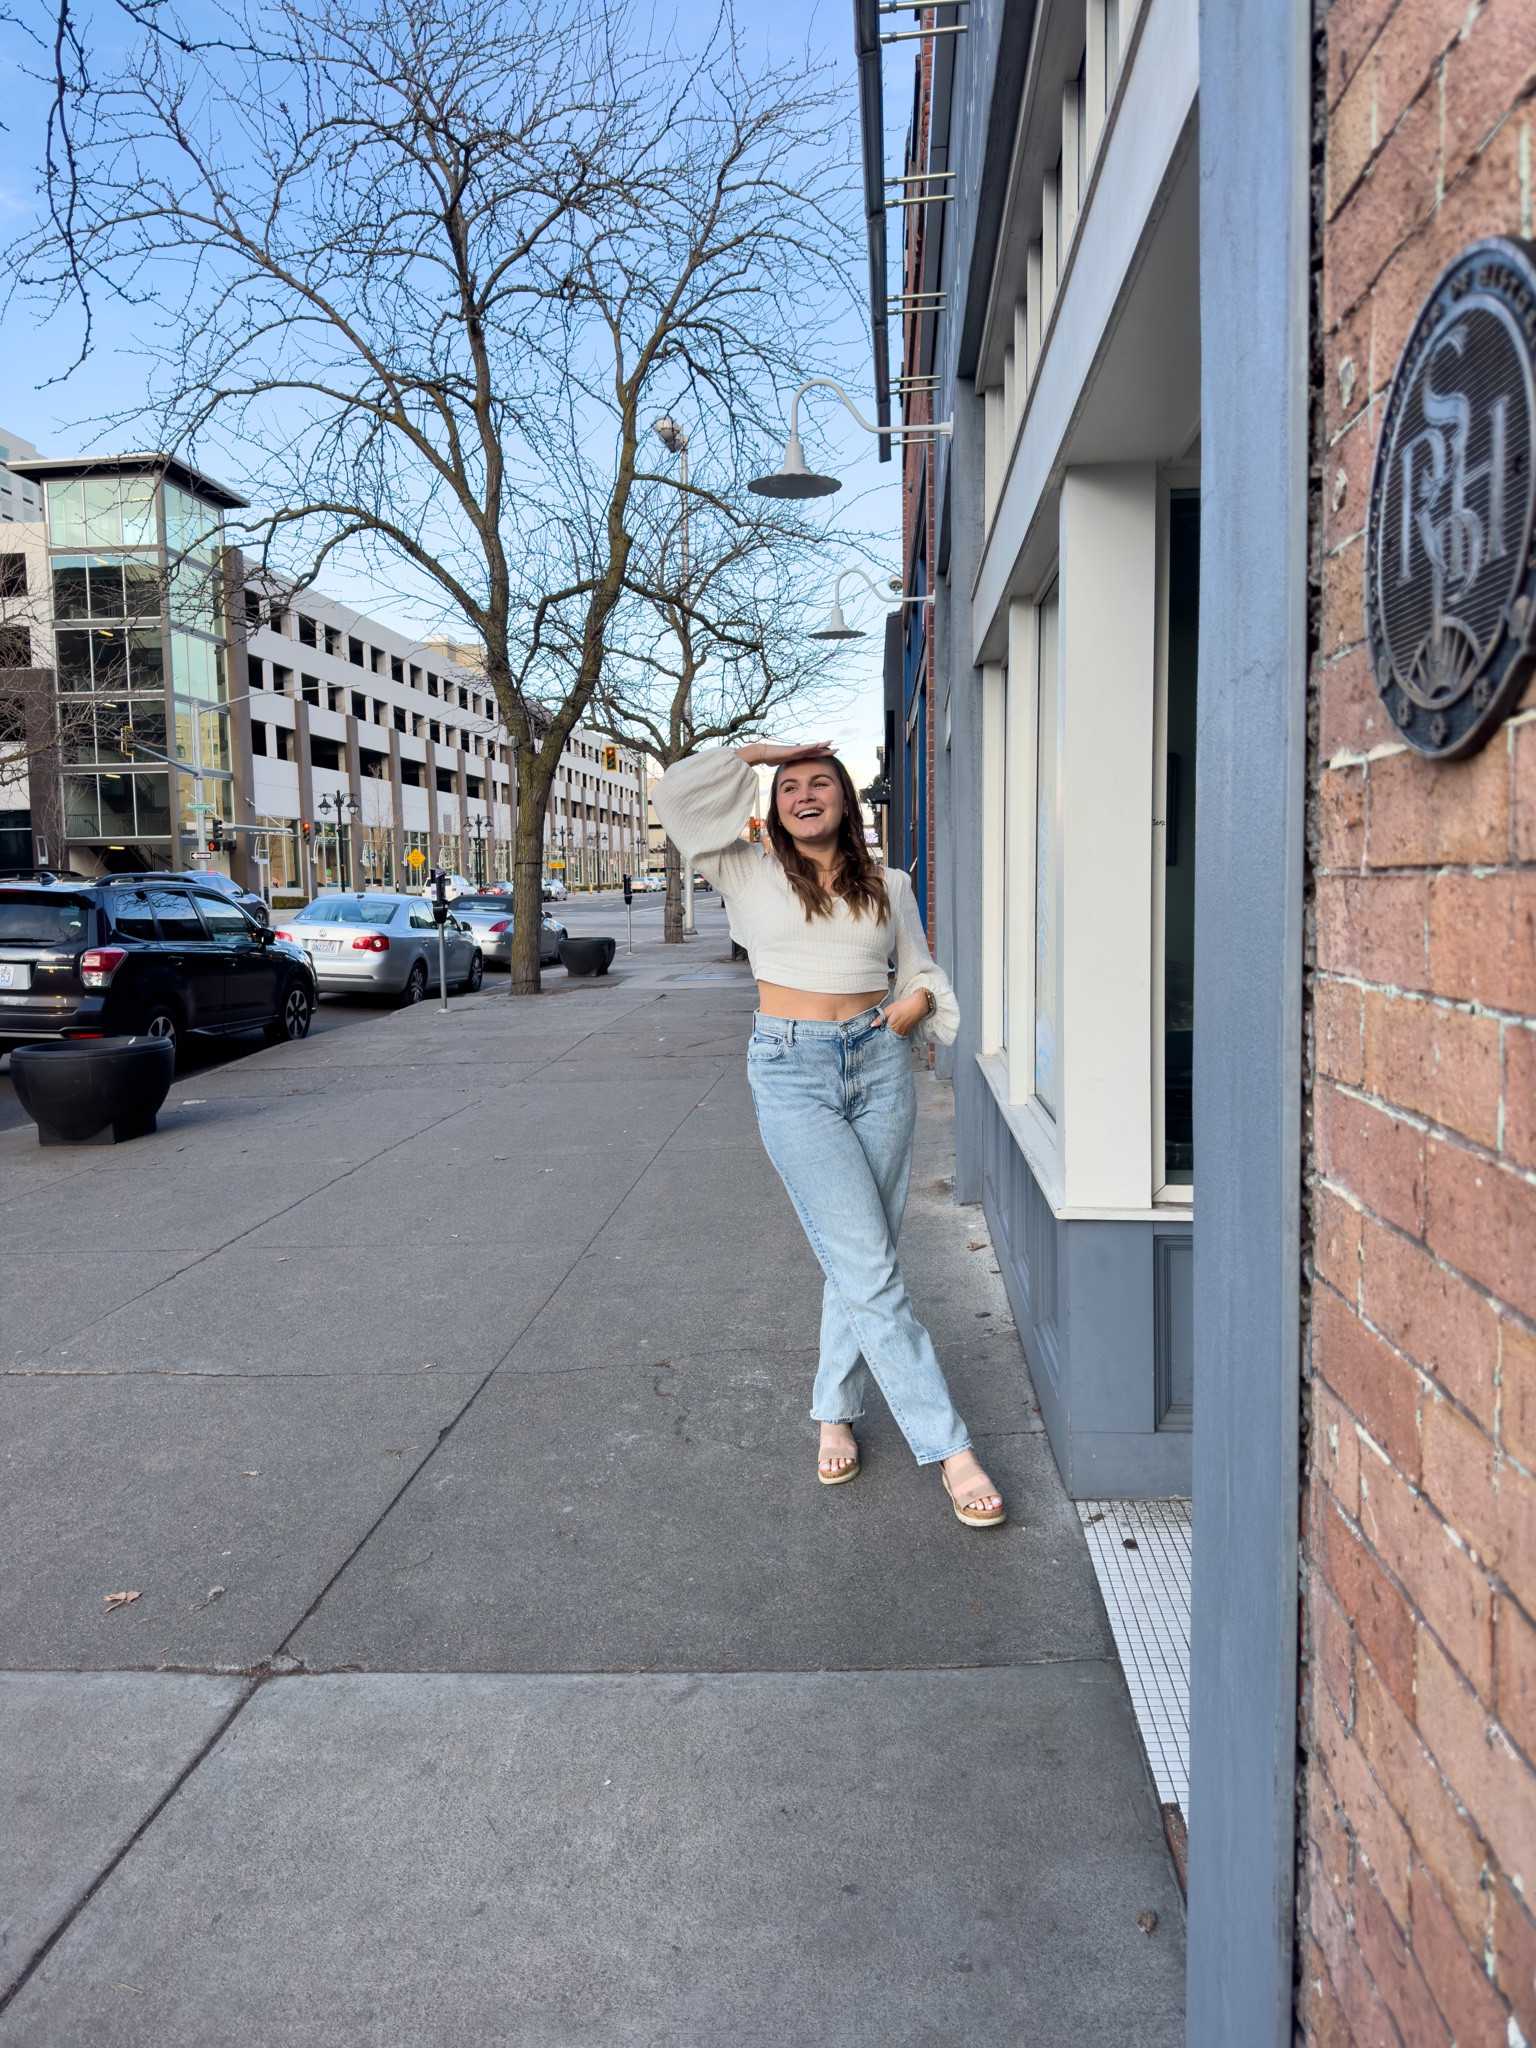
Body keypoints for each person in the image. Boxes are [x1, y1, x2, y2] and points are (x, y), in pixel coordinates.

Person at [652, 740, 1005, 1528]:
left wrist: (914, 1005)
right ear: (773, 806)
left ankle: (834, 1410)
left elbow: (917, 969)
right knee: (870, 1268)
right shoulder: (742, 868)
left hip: (879, 1065)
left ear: (847, 801)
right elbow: (676, 798)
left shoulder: (892, 885)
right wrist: (752, 752)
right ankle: (952, 1449)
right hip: (791, 1070)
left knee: (863, 1253)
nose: (805, 795)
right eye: (790, 788)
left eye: (820, 784)